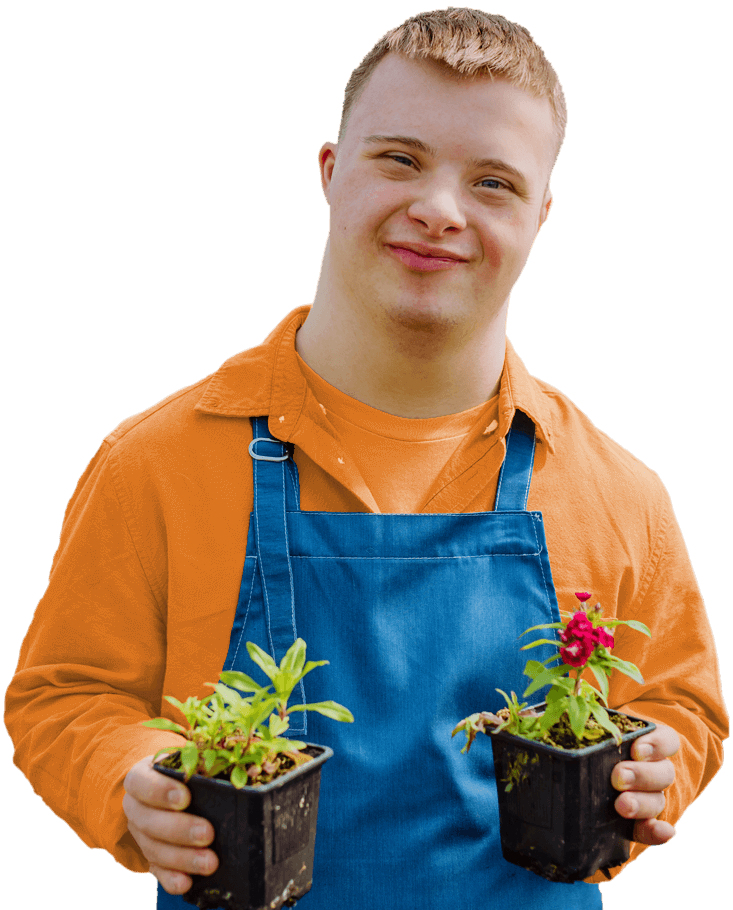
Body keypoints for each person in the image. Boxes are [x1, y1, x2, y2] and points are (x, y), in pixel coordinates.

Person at [5, 8, 727, 909]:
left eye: (493, 182)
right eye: (399, 158)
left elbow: (680, 704)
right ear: (329, 170)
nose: (438, 208)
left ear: (541, 216)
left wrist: (658, 767)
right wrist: (129, 779)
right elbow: (65, 694)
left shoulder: (616, 491)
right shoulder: (156, 459)